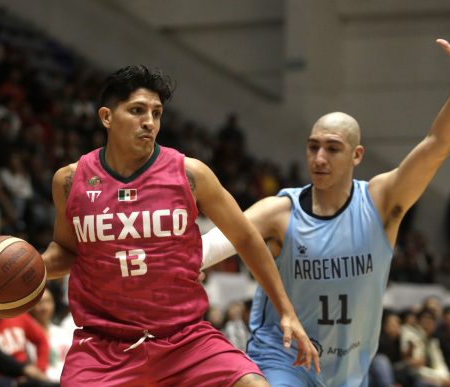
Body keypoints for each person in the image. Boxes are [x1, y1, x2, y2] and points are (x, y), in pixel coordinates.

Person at [201, 6, 450, 386]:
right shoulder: (280, 211)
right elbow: (217, 240)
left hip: (347, 370)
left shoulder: (380, 201)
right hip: (280, 357)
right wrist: (187, 258)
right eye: (312, 147)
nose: (319, 158)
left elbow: (437, 143)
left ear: (357, 155)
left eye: (332, 148)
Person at [40, 65, 318, 386]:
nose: (149, 122)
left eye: (157, 113)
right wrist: (33, 268)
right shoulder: (70, 181)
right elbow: (66, 251)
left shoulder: (190, 174)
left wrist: (286, 311)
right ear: (107, 117)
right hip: (103, 346)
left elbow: (246, 237)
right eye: (137, 111)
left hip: (184, 339)